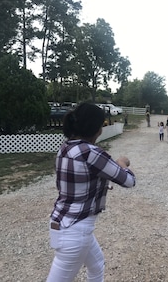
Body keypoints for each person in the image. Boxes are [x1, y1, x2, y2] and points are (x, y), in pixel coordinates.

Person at [47, 103, 136, 282]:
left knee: (97, 266)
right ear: (98, 129)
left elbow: (83, 180)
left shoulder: (65, 148)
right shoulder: (91, 152)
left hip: (63, 222)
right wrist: (123, 163)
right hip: (75, 230)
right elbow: (129, 181)